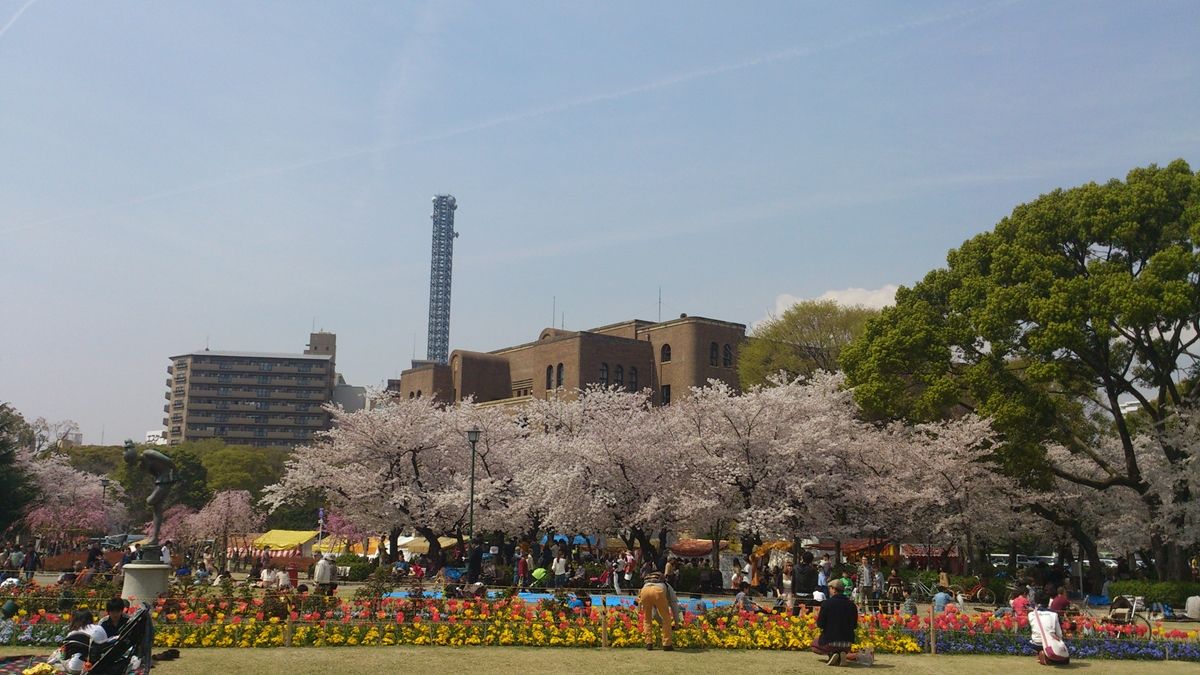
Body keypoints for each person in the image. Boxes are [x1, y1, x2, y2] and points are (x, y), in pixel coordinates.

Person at [813, 578, 858, 666]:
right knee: (841, 642)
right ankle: (841, 655)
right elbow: (854, 625)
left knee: (814, 644)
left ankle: (832, 654)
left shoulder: (826, 603)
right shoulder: (852, 605)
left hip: (830, 641)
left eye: (829, 588)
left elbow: (820, 624)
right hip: (847, 642)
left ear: (833, 589)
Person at [1028, 595, 1070, 665]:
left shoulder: (1031, 614)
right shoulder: (1054, 614)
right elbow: (1059, 634)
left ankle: (1042, 654)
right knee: (1062, 656)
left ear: (1036, 602)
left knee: (1033, 640)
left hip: (1037, 643)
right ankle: (1048, 656)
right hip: (1051, 643)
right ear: (1049, 602)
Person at [638, 570, 674, 651]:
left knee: (647, 618)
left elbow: (653, 613)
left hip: (644, 591)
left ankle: (648, 643)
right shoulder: (667, 585)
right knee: (666, 618)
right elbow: (674, 605)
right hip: (659, 591)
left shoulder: (646, 582)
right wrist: (677, 622)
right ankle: (667, 644)